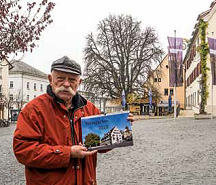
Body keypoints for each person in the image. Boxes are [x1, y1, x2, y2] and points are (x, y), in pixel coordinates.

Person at [13, 56, 135, 185]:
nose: (66, 84)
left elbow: (101, 146)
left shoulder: (89, 109)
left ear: (79, 82)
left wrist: (120, 124)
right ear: (50, 79)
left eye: (72, 80)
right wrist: (68, 153)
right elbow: (23, 150)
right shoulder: (33, 110)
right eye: (60, 79)